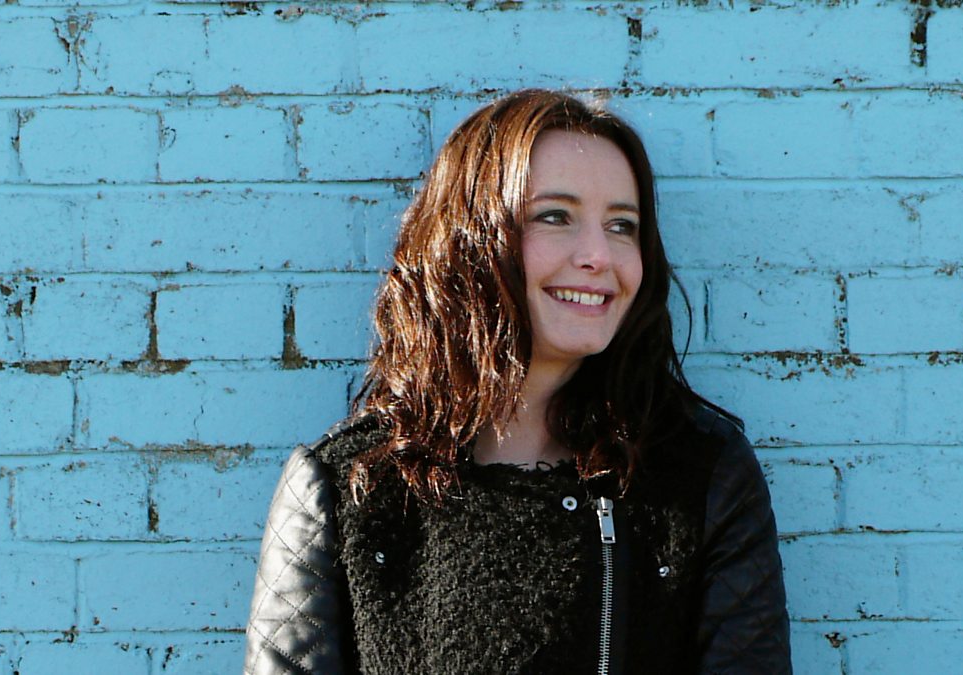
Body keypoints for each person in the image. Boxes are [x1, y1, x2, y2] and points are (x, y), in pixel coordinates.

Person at [243, 89, 791, 674]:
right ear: (470, 239)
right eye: (555, 216)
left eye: (622, 225)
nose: (598, 255)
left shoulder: (700, 473)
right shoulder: (347, 485)